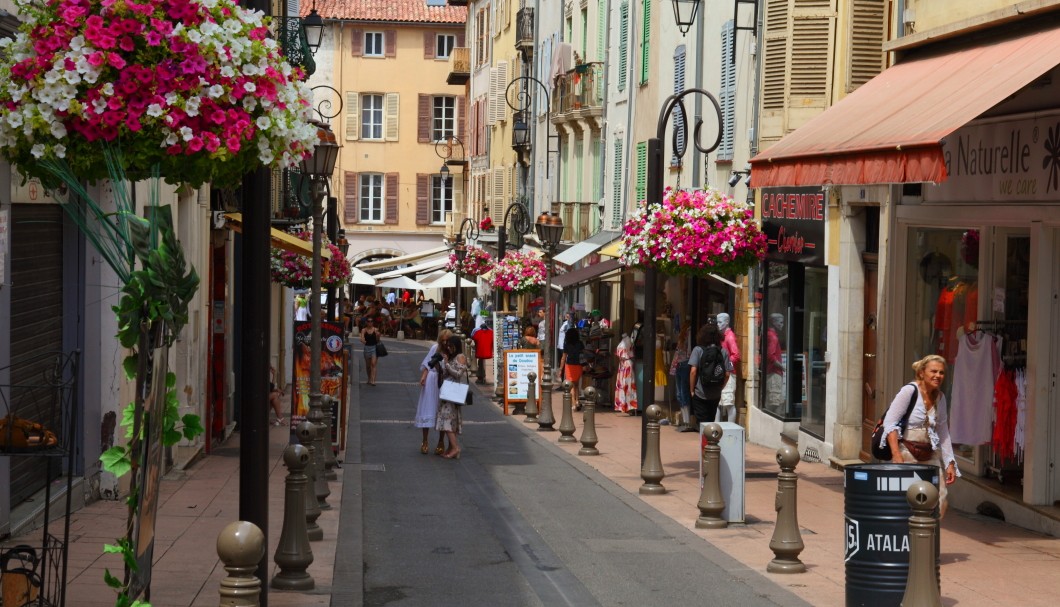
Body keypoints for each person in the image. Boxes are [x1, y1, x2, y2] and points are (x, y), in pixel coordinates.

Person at [882, 354, 960, 516]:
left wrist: (950, 462)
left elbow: (943, 431)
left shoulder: (940, 397)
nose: (938, 376)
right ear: (922, 373)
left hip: (929, 452)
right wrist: (897, 456)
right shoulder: (909, 391)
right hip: (906, 451)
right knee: (907, 497)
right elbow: (890, 423)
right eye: (933, 371)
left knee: (939, 495)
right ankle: (907, 535)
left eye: (941, 373)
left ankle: (927, 535)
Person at [415, 329, 453, 455]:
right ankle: (425, 440)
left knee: (442, 412)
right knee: (427, 408)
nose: (445, 342)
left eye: (447, 340)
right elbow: (428, 363)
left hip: (445, 381)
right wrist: (423, 376)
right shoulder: (435, 348)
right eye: (443, 340)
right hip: (432, 380)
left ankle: (441, 441)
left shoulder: (452, 351)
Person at [687, 322, 732, 426]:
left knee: (702, 425)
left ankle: (705, 442)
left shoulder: (698, 350)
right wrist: (720, 387)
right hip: (715, 394)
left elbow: (693, 372)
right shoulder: (723, 352)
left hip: (700, 393)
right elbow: (727, 374)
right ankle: (710, 441)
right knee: (711, 422)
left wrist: (692, 390)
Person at [436, 335, 469, 459]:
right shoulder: (450, 357)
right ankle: (451, 448)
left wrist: (447, 364)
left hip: (453, 393)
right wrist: (440, 366)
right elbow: (445, 374)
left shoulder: (460, 357)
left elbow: (458, 374)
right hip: (447, 392)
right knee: (449, 420)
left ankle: (455, 448)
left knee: (447, 421)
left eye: (451, 346)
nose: (448, 348)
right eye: (447, 346)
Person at [716, 312, 742, 423]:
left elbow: (736, 355)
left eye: (720, 322)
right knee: (718, 402)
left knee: (728, 403)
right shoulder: (723, 336)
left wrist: (726, 365)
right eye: (717, 322)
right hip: (722, 373)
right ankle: (716, 427)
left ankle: (730, 428)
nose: (718, 324)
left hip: (729, 374)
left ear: (727, 322)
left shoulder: (730, 337)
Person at [669, 324, 694, 431]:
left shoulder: (688, 332)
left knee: (682, 392)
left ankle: (687, 421)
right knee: (680, 393)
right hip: (680, 364)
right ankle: (685, 420)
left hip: (684, 364)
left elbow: (688, 351)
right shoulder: (683, 334)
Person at [559, 327, 584, 412]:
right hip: (578, 365)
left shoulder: (567, 344)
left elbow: (563, 357)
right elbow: (583, 354)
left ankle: (573, 404)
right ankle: (577, 401)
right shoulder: (580, 343)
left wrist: (560, 369)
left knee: (571, 386)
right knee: (576, 384)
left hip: (570, 365)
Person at [614, 333, 637, 413]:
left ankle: (628, 406)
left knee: (627, 385)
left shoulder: (626, 342)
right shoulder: (626, 341)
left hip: (625, 364)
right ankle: (624, 406)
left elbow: (622, 356)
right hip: (623, 365)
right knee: (624, 385)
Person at [470, 321, 493, 385]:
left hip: (480, 352)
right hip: (488, 352)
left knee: (480, 363)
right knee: (482, 363)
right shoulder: (491, 332)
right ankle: (482, 376)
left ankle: (480, 377)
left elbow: (473, 337)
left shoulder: (477, 332)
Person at [359, 317, 380, 386]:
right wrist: (363, 340)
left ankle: (373, 380)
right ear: (366, 322)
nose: (370, 322)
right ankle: (369, 378)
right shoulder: (363, 330)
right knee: (368, 366)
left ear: (373, 322)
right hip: (367, 348)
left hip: (374, 348)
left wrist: (378, 336)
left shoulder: (376, 330)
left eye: (371, 321)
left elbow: (378, 340)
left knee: (373, 364)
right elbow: (362, 338)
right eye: (368, 321)